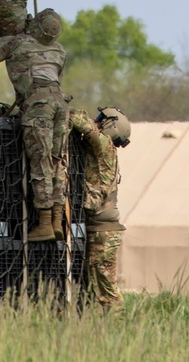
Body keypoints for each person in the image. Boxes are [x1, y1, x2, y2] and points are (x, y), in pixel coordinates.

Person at [0, 8, 68, 243]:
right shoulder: (59, 51)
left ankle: (44, 224)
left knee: (40, 163)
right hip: (61, 104)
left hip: (38, 106)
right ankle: (57, 220)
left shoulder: (18, 42)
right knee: (57, 161)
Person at [69, 106, 131, 311]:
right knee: (96, 287)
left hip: (103, 231)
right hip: (102, 229)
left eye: (100, 119)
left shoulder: (104, 145)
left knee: (106, 291)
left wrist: (59, 105)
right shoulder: (106, 151)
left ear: (111, 125)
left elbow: (80, 123)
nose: (96, 121)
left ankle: (117, 324)